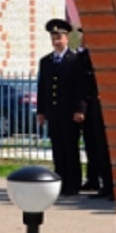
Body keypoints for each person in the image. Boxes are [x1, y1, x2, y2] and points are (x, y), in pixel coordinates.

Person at [36, 18, 86, 195]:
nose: (56, 41)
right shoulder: (46, 61)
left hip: (70, 112)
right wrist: (41, 111)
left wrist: (80, 110)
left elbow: (80, 87)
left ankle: (73, 183)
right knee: (57, 148)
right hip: (54, 112)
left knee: (70, 148)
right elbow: (42, 87)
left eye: (60, 37)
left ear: (67, 38)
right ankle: (60, 181)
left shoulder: (75, 60)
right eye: (54, 38)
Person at [76, 32, 113, 199]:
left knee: (105, 149)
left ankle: (110, 186)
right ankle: (98, 182)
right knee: (93, 147)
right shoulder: (83, 57)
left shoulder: (105, 55)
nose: (84, 39)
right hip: (90, 109)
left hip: (103, 109)